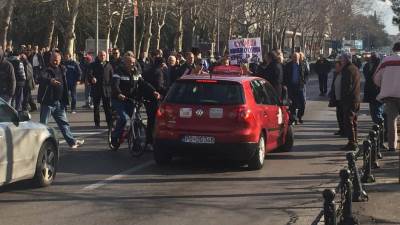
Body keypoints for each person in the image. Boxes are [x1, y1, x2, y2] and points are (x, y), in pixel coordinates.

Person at [110, 54, 160, 148]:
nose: (132, 64)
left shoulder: (136, 72)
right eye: (130, 62)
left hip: (131, 99)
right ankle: (114, 136)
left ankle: (135, 143)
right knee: (124, 118)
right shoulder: (118, 71)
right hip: (119, 99)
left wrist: (153, 91)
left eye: (133, 62)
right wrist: (119, 94)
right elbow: (115, 85)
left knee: (136, 120)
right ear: (124, 63)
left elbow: (143, 83)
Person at [37, 52, 84, 149]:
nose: (55, 62)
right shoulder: (46, 69)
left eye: (57, 60)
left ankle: (72, 142)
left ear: (59, 60)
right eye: (53, 60)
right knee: (43, 125)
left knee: (64, 124)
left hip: (59, 102)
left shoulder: (62, 69)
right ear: (50, 60)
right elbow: (41, 78)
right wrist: (50, 81)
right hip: (48, 102)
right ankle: (39, 145)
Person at [373, 42, 400, 152]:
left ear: (393, 49)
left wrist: (385, 85)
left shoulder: (386, 61)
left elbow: (376, 78)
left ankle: (392, 146)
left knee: (391, 121)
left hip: (390, 96)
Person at [144, 57, 167, 149]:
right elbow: (159, 86)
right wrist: (168, 90)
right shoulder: (159, 72)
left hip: (147, 98)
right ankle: (151, 141)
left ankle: (148, 141)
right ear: (162, 64)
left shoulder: (147, 71)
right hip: (155, 99)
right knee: (155, 121)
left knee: (150, 120)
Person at [340, 52, 361, 151]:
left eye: (342, 59)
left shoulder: (347, 70)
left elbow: (347, 86)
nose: (341, 61)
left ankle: (352, 142)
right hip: (356, 98)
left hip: (349, 100)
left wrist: (343, 98)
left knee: (349, 121)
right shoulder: (355, 68)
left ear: (345, 60)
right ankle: (355, 140)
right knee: (354, 121)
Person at [89, 51, 113, 128]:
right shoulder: (93, 64)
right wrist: (92, 78)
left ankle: (109, 122)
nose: (102, 56)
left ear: (106, 56)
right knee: (96, 107)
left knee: (107, 107)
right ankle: (97, 123)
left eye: (104, 55)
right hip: (97, 88)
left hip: (106, 89)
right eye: (101, 55)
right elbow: (89, 74)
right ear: (98, 56)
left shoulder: (109, 65)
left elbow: (112, 76)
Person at [284, 52, 309, 124]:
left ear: (299, 57)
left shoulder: (302, 65)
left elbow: (307, 74)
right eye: (293, 57)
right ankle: (294, 118)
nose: (294, 58)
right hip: (291, 87)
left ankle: (300, 116)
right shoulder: (288, 65)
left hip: (300, 86)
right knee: (292, 103)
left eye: (296, 57)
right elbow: (285, 75)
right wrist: (285, 84)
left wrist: (304, 81)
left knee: (302, 103)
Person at [363, 53, 383, 124]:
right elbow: (367, 77)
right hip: (372, 91)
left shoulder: (380, 66)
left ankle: (380, 126)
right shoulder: (367, 66)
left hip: (377, 91)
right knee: (374, 111)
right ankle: (379, 125)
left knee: (377, 111)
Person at [328, 60, 345, 137]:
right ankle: (341, 130)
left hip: (343, 98)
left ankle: (345, 131)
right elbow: (334, 85)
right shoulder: (336, 74)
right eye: (335, 67)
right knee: (339, 116)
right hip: (337, 98)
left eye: (337, 67)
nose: (336, 68)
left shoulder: (345, 74)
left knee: (343, 116)